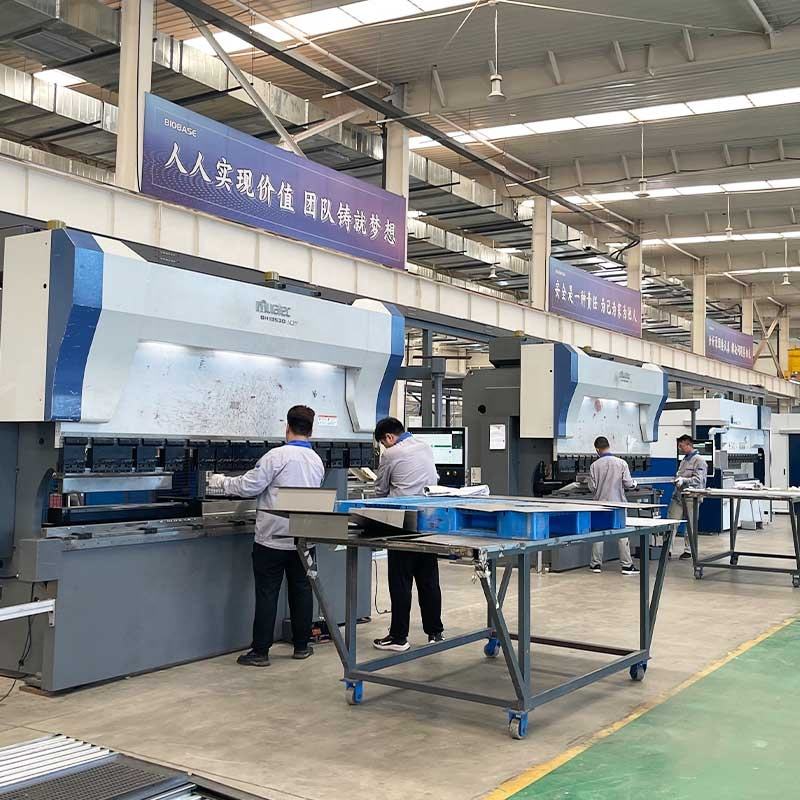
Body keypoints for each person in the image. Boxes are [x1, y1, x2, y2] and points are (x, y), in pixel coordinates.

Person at [207, 405, 324, 667]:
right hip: (304, 537)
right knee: (302, 590)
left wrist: (221, 481)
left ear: (287, 427)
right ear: (311, 430)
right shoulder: (316, 460)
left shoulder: (276, 456)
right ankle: (302, 646)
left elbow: (249, 486)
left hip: (272, 538)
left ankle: (260, 652)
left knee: (267, 593)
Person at [371, 417, 444, 652]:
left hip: (401, 525)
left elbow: (380, 490)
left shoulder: (391, 454)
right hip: (428, 522)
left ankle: (398, 637)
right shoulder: (424, 446)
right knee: (429, 580)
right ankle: (435, 632)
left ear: (389, 437)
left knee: (401, 582)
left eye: (384, 443)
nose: (385, 447)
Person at [587, 436, 640, 576]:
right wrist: (634, 484)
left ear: (597, 449)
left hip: (600, 505)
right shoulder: (621, 463)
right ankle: (627, 566)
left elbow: (592, 487)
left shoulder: (594, 465)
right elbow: (628, 483)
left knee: (598, 534)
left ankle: (595, 564)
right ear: (608, 446)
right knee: (622, 534)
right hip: (618, 504)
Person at [667, 434, 708, 560]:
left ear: (689, 444)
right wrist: (677, 480)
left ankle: (689, 550)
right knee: (671, 523)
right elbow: (680, 475)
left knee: (690, 524)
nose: (679, 448)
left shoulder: (699, 460)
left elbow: (698, 479)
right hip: (678, 496)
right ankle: (667, 549)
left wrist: (684, 480)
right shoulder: (684, 460)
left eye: (681, 446)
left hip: (692, 497)